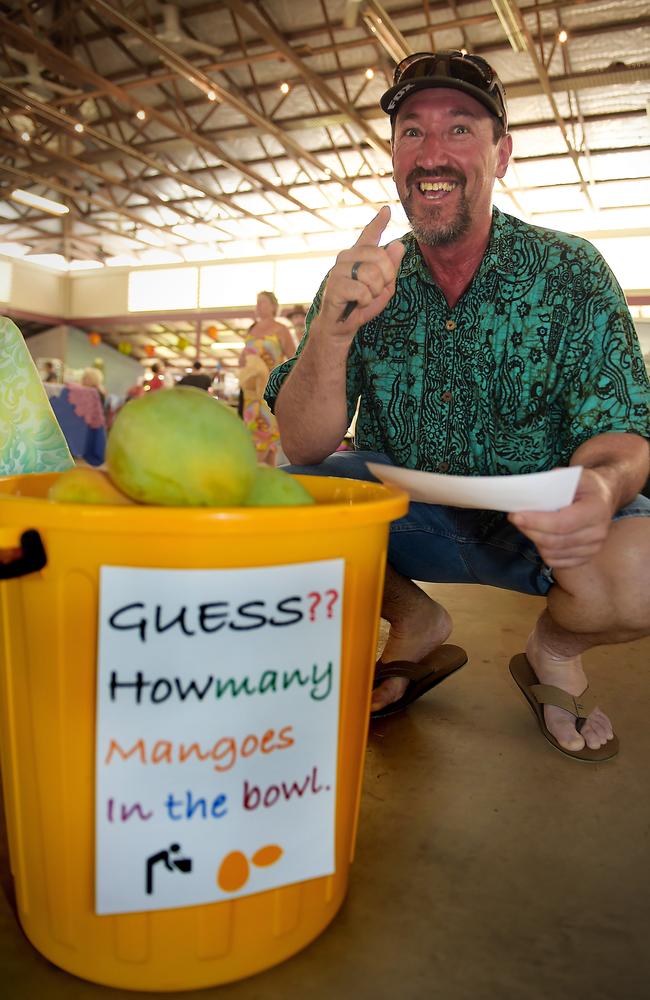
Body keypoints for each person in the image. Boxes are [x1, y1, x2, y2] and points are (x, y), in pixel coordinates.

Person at [264, 50, 650, 762]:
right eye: (412, 132)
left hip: (542, 525)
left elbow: (622, 432)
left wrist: (598, 486)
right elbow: (305, 443)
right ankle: (416, 621)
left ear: (501, 154)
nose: (431, 153)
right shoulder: (360, 276)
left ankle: (554, 655)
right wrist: (332, 331)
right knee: (271, 503)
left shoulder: (571, 271)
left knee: (642, 572)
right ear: (392, 153)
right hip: (410, 515)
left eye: (461, 130)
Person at [239, 290, 296, 465]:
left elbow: (294, 358)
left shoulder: (281, 329)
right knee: (252, 432)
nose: (258, 305)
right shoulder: (252, 328)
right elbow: (243, 358)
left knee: (267, 431)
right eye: (257, 302)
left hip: (268, 390)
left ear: (273, 306)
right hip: (250, 392)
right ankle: (269, 476)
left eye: (262, 301)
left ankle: (252, 471)